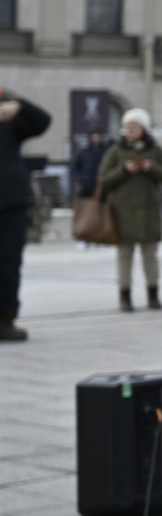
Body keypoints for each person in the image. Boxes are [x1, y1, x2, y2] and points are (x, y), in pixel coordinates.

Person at [97, 109, 162, 311]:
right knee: (124, 256)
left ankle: (153, 294)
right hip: (123, 212)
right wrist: (123, 170)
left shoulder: (155, 150)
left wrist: (150, 167)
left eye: (134, 126)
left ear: (143, 129)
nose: (129, 130)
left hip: (149, 212)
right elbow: (104, 179)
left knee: (151, 256)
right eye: (126, 127)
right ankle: (125, 297)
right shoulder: (116, 151)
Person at [0, 89, 51, 341]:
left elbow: (42, 121)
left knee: (9, 265)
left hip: (10, 203)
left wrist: (17, 102)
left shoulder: (7, 118)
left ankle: (5, 320)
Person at [71, 130, 109, 200]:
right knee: (85, 206)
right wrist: (82, 179)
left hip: (102, 186)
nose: (96, 138)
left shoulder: (105, 151)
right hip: (87, 186)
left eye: (97, 136)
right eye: (94, 136)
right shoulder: (84, 152)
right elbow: (75, 168)